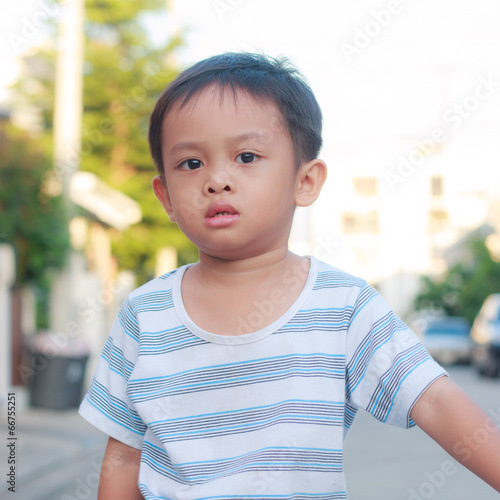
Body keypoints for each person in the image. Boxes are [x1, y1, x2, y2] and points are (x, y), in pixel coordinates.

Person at [79, 52, 500, 499]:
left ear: (305, 181)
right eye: (191, 164)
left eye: (246, 156)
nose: (217, 179)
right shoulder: (144, 315)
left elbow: (433, 399)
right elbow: (125, 453)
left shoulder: (343, 307)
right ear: (165, 195)